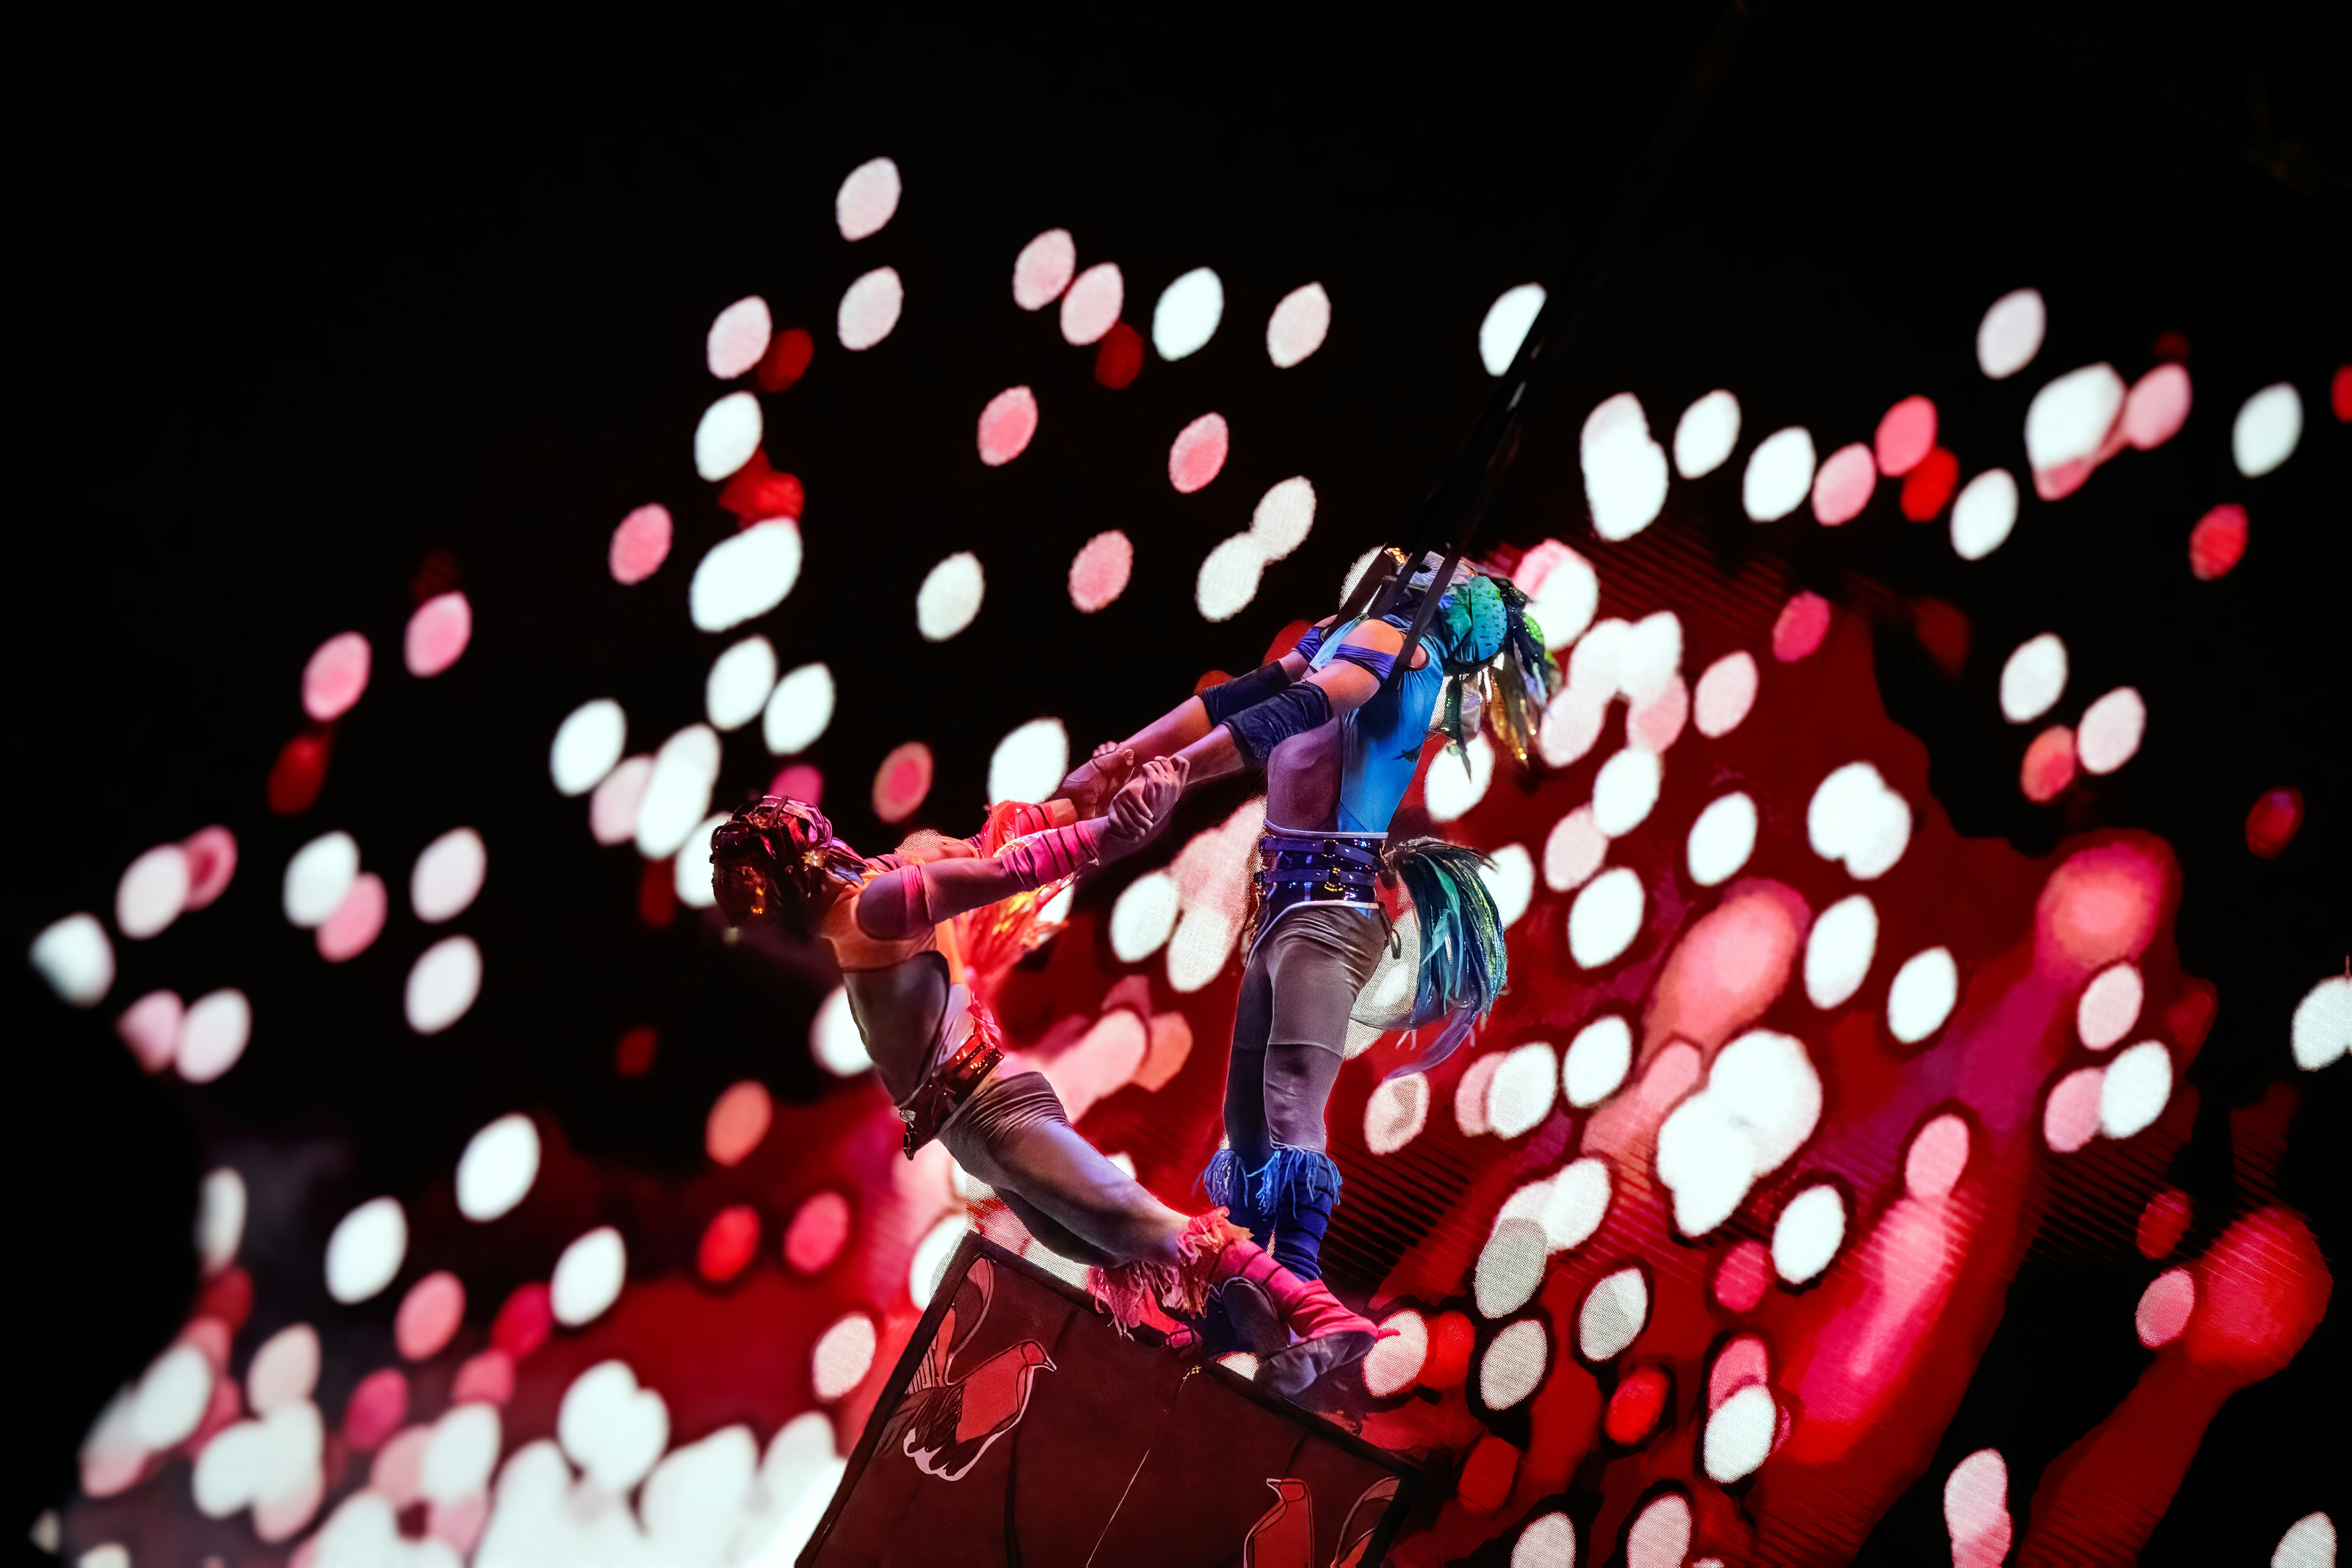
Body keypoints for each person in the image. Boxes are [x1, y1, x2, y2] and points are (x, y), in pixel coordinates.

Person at [708, 767, 1389, 1398]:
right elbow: (1000, 838)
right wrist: (1087, 800)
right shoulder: (886, 882)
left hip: (994, 1112)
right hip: (973, 1129)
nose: (765, 912)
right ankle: (1264, 1332)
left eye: (761, 892)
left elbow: (1009, 867)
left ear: (791, 865)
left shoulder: (879, 904)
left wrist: (1109, 831)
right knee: (1100, 1244)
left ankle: (1324, 1315)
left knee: (1151, 1228)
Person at [1058, 551, 1552, 1290]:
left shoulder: (1400, 644)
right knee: (1248, 1127)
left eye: (1446, 569)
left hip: (1328, 909)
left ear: (1454, 600)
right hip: (1289, 906)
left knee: (1289, 1097)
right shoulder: (1351, 633)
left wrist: (1173, 773)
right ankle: (1245, 1292)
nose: (1405, 559)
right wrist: (1129, 761)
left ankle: (1296, 1291)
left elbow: (1302, 709)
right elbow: (1240, 699)